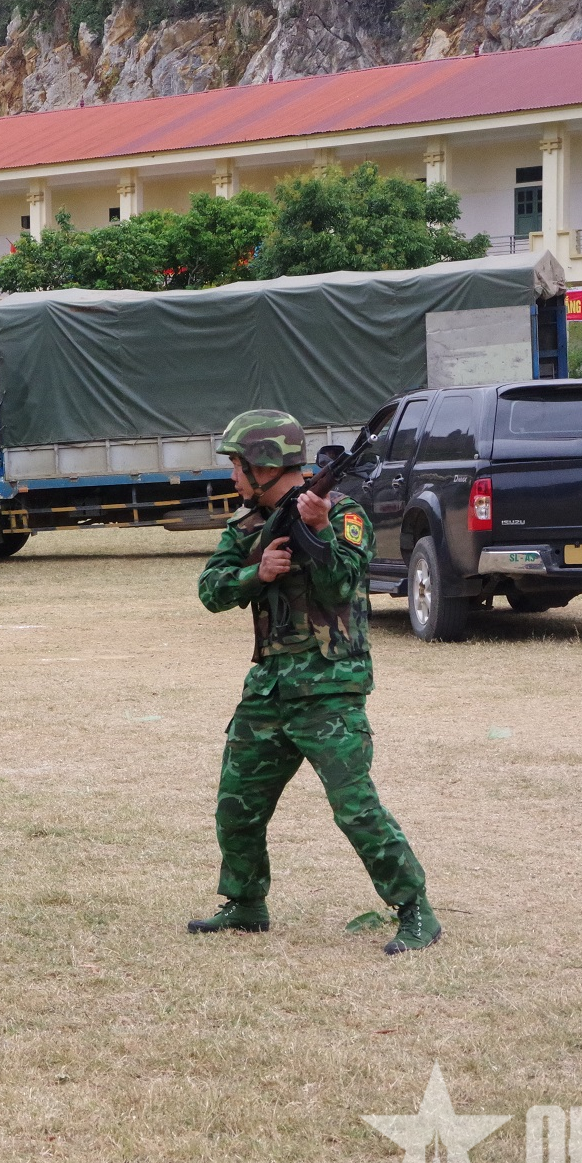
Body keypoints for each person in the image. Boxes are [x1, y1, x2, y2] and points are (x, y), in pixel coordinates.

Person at [190, 409, 438, 955]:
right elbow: (210, 590)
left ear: (263, 465)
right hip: (269, 688)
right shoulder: (248, 526)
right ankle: (245, 902)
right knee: (237, 803)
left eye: (236, 465)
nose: (232, 476)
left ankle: (415, 909)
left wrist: (319, 530)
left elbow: (344, 585)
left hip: (329, 688)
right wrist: (256, 573)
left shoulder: (342, 514)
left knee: (355, 807)